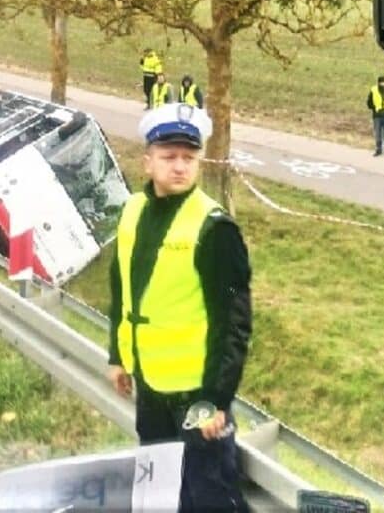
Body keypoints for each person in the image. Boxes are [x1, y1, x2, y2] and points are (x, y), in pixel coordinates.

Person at [108, 103, 252, 513]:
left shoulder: (214, 228)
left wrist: (216, 400)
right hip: (150, 389)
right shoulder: (134, 209)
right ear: (148, 160)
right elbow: (122, 288)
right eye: (169, 157)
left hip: (196, 399)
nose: (180, 167)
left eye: (189, 158)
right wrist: (117, 355)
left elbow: (234, 325)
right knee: (160, 496)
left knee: (210, 500)